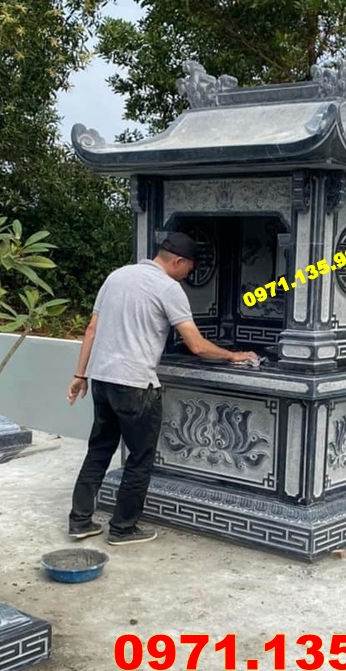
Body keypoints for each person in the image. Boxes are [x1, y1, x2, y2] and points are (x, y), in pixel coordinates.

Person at [66, 231, 256, 545]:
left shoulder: (116, 277)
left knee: (98, 450)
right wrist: (233, 355)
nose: (188, 276)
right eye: (189, 269)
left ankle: (80, 521)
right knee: (140, 459)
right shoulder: (168, 288)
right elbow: (197, 345)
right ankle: (123, 529)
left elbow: (91, 329)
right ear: (178, 261)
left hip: (101, 380)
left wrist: (79, 374)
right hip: (136, 385)